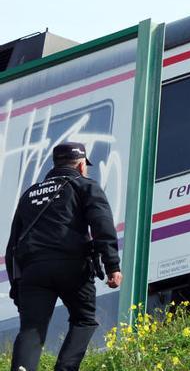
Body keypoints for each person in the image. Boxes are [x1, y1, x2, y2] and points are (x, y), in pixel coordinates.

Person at [6, 142, 122, 371]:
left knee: (31, 328)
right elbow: (102, 225)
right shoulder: (84, 185)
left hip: (33, 271)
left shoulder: (29, 195)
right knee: (84, 319)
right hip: (72, 266)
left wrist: (16, 286)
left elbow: (13, 245)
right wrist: (112, 266)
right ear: (80, 166)